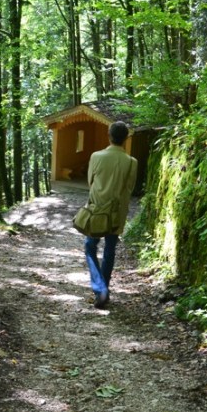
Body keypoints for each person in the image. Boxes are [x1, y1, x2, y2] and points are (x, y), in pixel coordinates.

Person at [84, 121, 137, 309]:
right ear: (126, 139)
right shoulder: (131, 162)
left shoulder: (96, 156)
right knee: (110, 250)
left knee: (90, 245)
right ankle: (104, 288)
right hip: (117, 213)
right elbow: (129, 189)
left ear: (109, 135)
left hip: (97, 211)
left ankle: (100, 289)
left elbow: (91, 182)